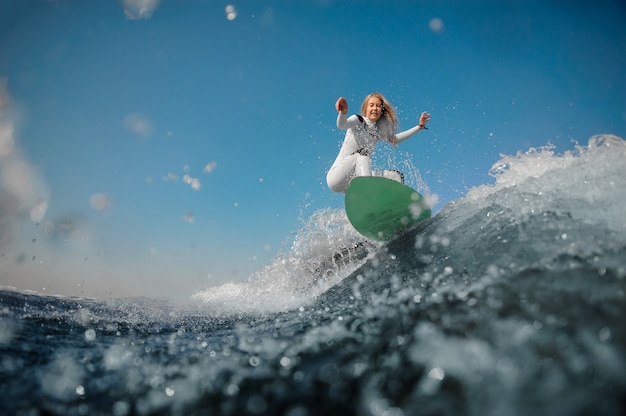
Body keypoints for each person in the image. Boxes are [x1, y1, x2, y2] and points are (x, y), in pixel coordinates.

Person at [326, 92, 430, 193]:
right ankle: (368, 191)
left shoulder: (378, 131)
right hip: (336, 177)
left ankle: (386, 203)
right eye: (371, 105)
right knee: (363, 154)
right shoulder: (358, 121)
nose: (375, 108)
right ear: (366, 108)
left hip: (352, 180)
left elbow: (395, 139)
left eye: (378, 106)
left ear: (381, 111)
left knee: (395, 177)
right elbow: (342, 125)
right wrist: (343, 114)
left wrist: (419, 127)